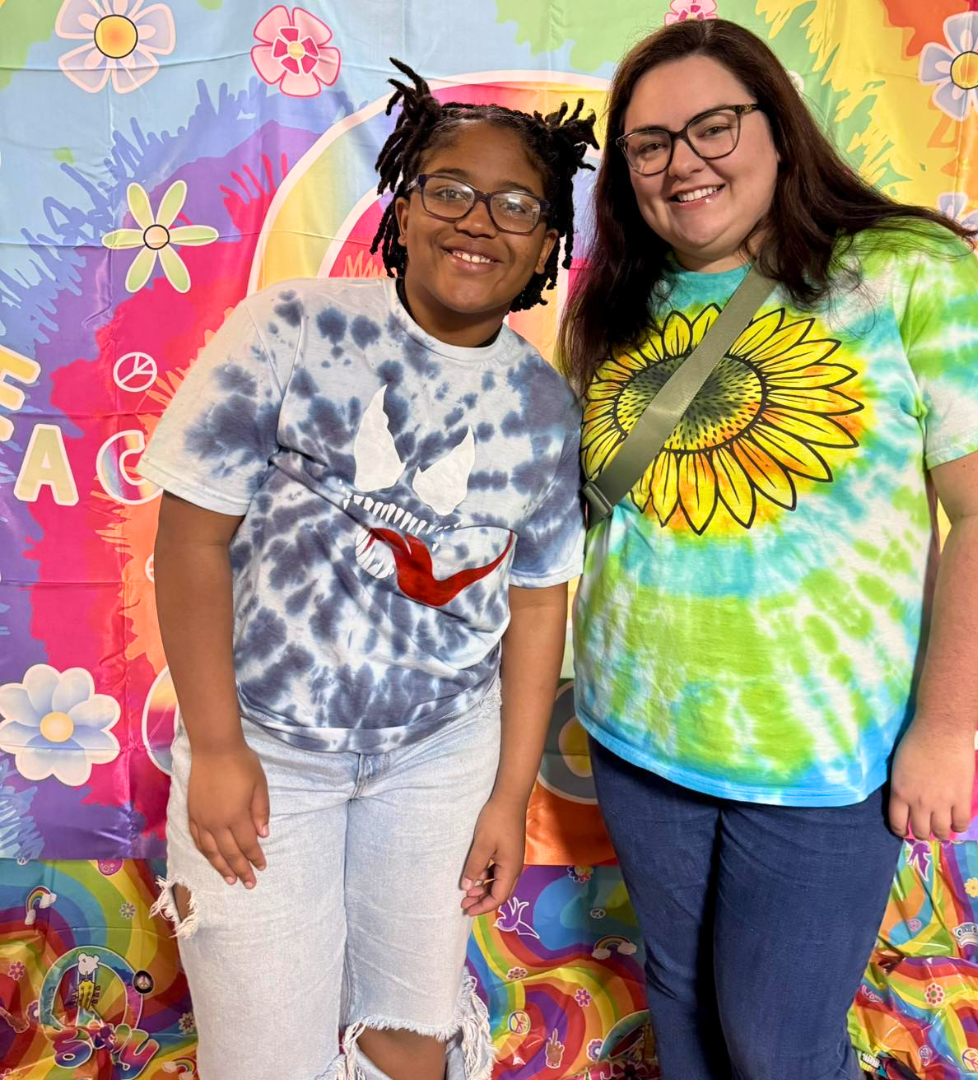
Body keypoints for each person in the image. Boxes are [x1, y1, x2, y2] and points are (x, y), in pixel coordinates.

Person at [560, 19, 978, 1080]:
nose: (683, 162)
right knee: (679, 997)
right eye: (650, 144)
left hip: (821, 756)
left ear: (779, 131)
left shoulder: (903, 268)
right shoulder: (619, 299)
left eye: (714, 126)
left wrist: (944, 728)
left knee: (776, 1043)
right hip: (635, 728)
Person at [142, 59, 595, 1080]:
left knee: (407, 1026)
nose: (478, 221)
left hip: (440, 756)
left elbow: (537, 605)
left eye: (516, 204)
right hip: (265, 749)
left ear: (547, 242)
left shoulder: (545, 408)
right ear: (403, 202)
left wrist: (507, 795)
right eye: (450, 189)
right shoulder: (293, 329)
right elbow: (190, 540)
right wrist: (216, 745)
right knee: (264, 1052)